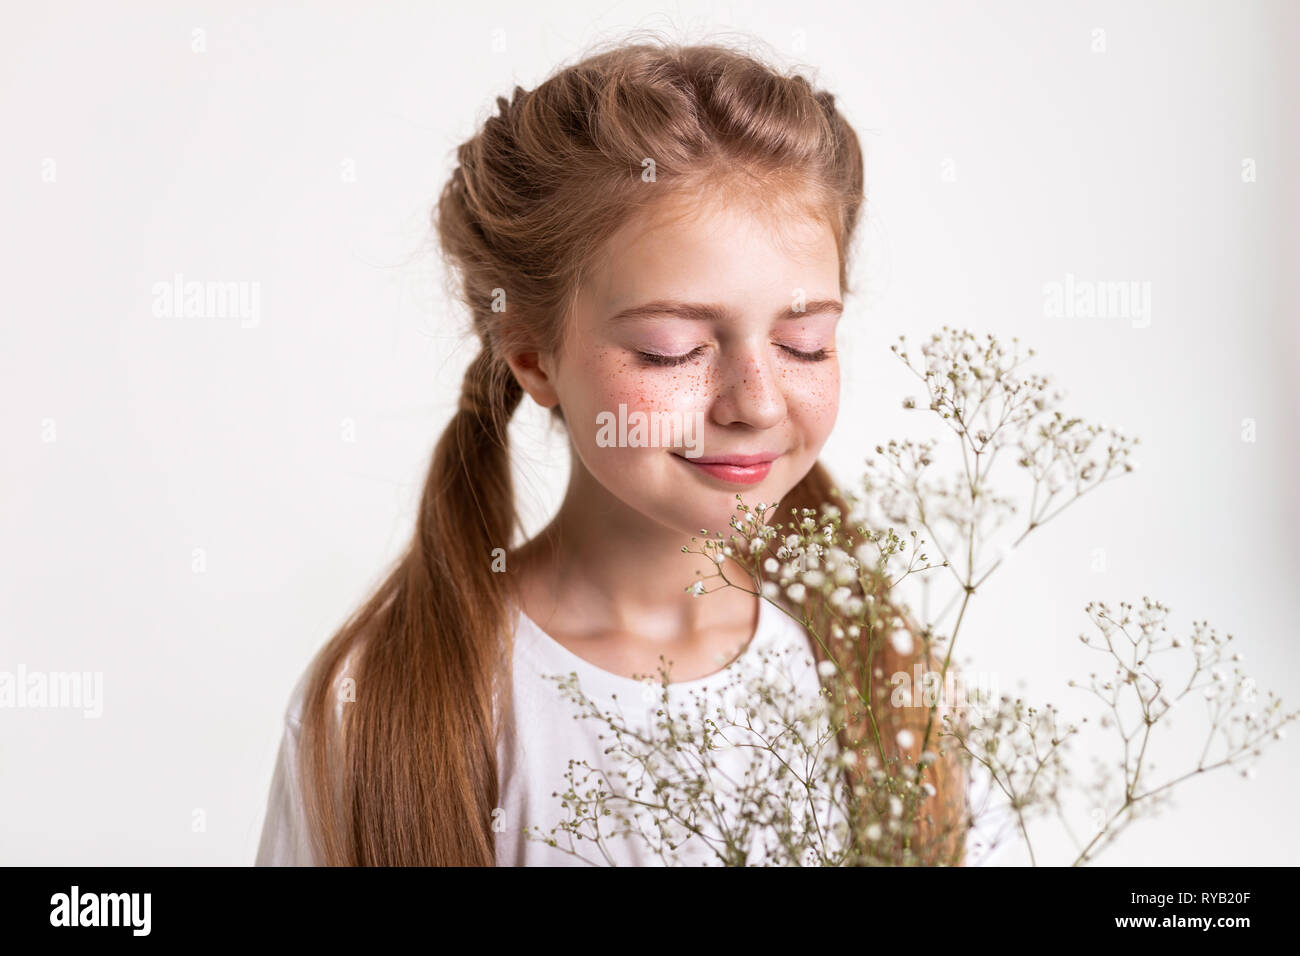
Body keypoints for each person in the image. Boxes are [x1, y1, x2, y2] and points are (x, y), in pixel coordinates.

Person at [255, 34, 968, 867]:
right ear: (533, 356)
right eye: (671, 349)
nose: (758, 402)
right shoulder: (383, 709)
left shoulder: (885, 672)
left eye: (805, 343)